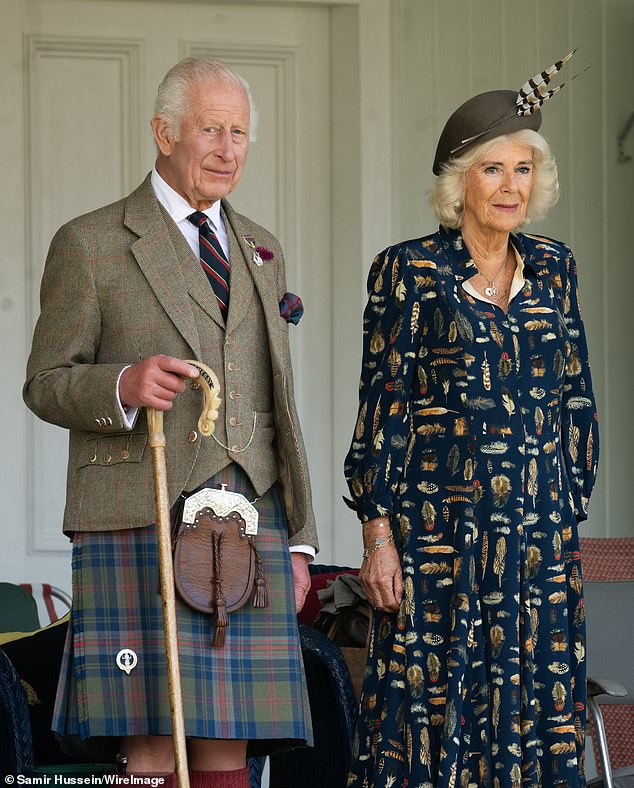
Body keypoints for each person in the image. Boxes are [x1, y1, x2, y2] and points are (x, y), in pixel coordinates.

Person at [24, 57, 318, 787]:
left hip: (249, 517)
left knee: (230, 739)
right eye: (210, 129)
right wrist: (121, 383)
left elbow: (278, 398)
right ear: (162, 132)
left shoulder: (263, 248)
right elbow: (45, 382)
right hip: (136, 512)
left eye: (240, 132)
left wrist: (301, 537)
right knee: (153, 741)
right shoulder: (90, 242)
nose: (228, 148)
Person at [344, 58, 599, 788]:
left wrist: (563, 503)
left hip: (538, 541)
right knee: (428, 714)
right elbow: (382, 409)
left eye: (523, 169)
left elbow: (573, 394)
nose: (511, 185)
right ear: (460, 182)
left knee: (536, 711)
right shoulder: (410, 271)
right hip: (437, 539)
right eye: (493, 169)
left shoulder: (555, 269)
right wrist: (379, 534)